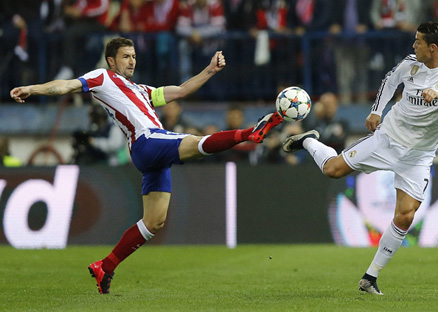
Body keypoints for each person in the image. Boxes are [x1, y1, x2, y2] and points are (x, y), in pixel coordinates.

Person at [10, 37, 283, 294]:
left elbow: (182, 90)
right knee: (196, 143)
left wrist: (209, 70)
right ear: (111, 61)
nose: (131, 61)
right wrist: (33, 89)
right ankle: (249, 134)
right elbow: (66, 85)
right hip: (147, 141)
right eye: (125, 56)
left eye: (134, 56)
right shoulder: (102, 78)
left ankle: (105, 266)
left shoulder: (142, 90)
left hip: (151, 154)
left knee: (154, 221)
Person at [282, 22, 438, 295]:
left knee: (405, 217)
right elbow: (390, 81)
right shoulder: (410, 64)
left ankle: (370, 277)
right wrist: (376, 111)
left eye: (418, 42)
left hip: (418, 155)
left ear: (432, 47)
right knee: (333, 170)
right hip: (387, 139)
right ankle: (308, 140)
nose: (413, 46)